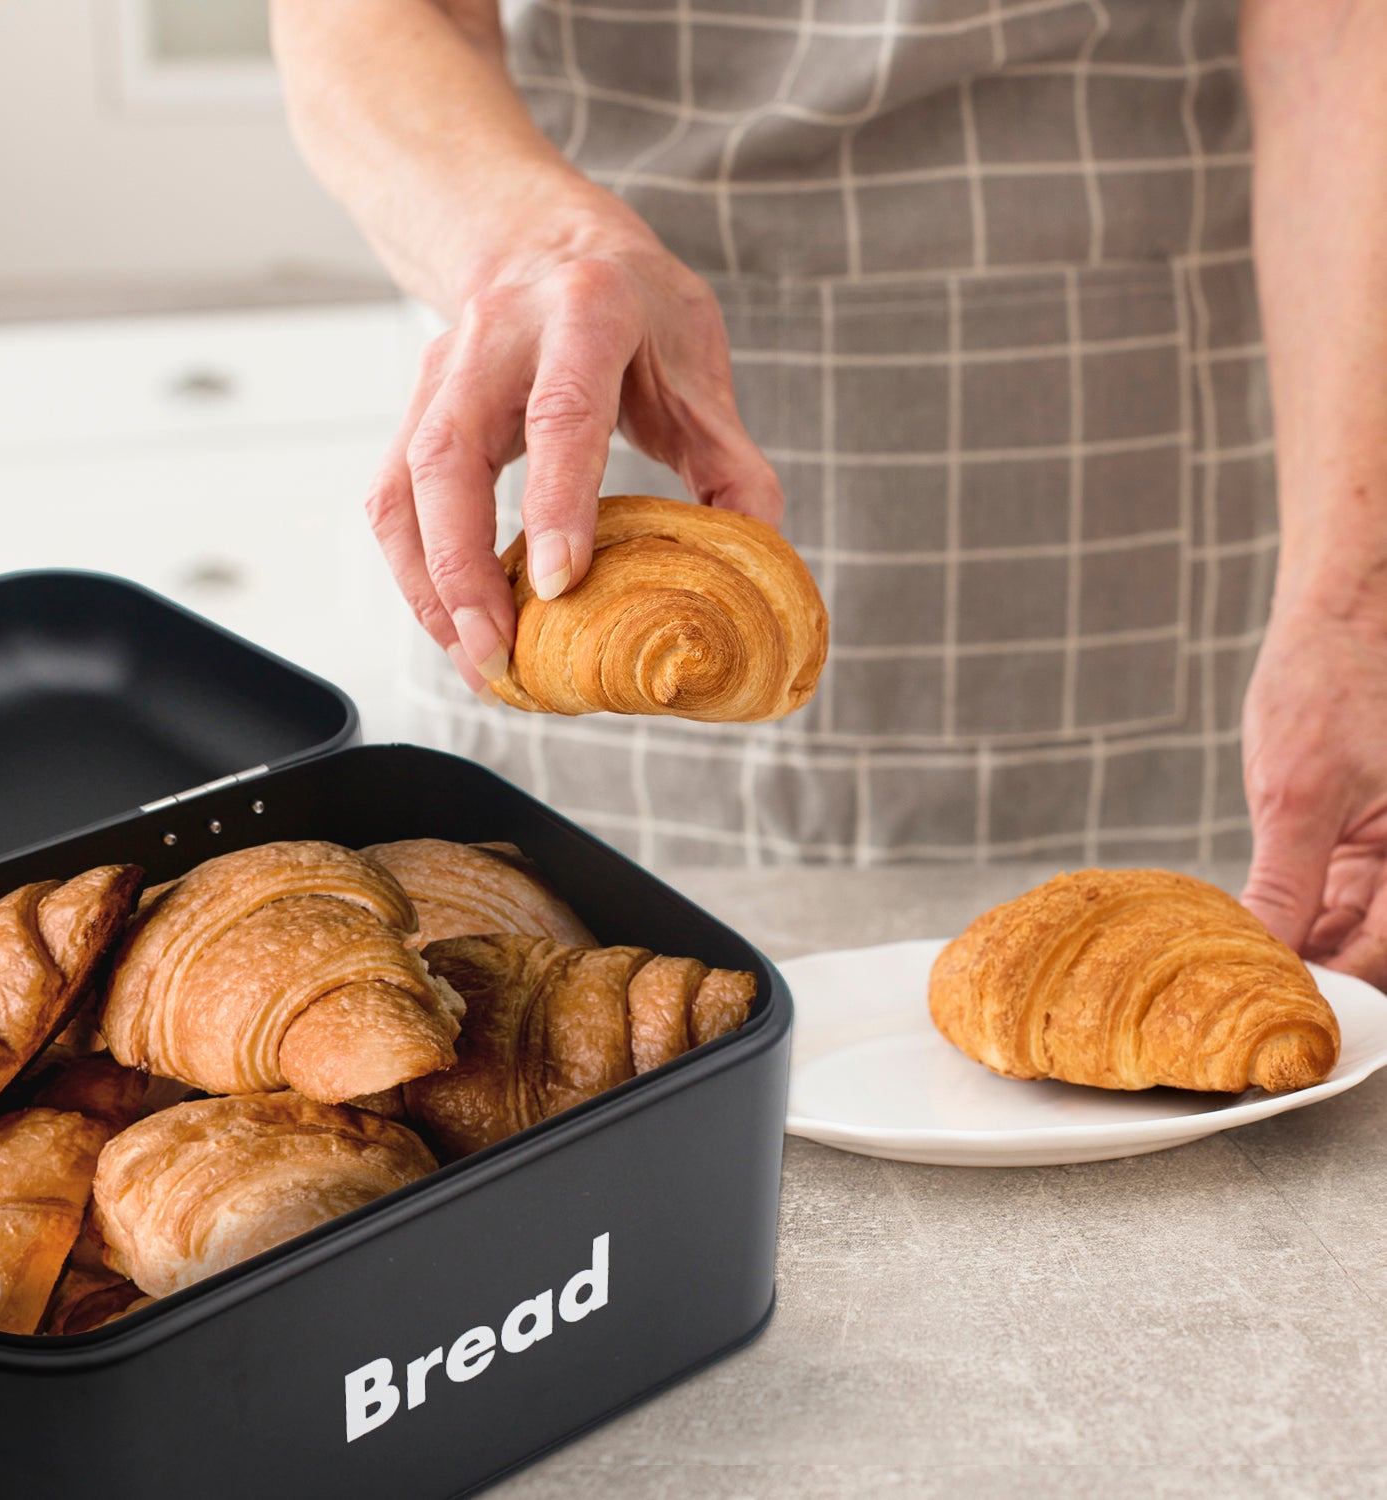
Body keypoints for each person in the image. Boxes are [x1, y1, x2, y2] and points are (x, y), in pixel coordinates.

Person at [271, 0, 1387, 984]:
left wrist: (1355, 608)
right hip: (586, 402)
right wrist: (535, 241)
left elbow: (1339, 28)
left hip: (1134, 482)